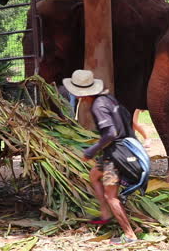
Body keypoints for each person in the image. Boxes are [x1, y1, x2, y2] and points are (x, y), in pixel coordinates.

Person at [63, 70, 150, 244]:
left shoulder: (98, 106)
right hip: (118, 151)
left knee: (112, 196)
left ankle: (130, 234)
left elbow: (111, 133)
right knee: (94, 175)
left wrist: (91, 151)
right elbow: (126, 122)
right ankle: (106, 213)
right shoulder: (109, 99)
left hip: (116, 157)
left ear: (82, 93)